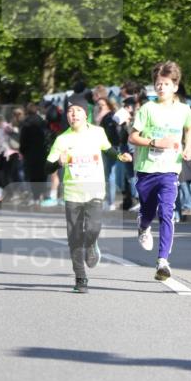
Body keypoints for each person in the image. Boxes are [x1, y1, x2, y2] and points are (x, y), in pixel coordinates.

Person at [46, 94, 131, 293]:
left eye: (78, 111)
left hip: (94, 191)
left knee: (93, 227)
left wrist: (119, 155)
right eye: (69, 111)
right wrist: (59, 162)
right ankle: (80, 278)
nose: (73, 114)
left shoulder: (98, 133)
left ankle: (91, 244)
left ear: (86, 114)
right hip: (72, 194)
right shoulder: (62, 139)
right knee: (74, 237)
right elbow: (46, 167)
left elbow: (108, 149)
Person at [128, 61, 191, 281]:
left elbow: (190, 126)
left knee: (167, 211)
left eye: (166, 84)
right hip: (147, 169)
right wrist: (155, 142)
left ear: (175, 86)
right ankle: (143, 226)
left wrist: (186, 146)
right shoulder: (147, 108)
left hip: (170, 170)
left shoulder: (184, 109)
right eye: (158, 84)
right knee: (148, 210)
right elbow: (133, 136)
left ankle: (163, 261)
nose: (161, 88)